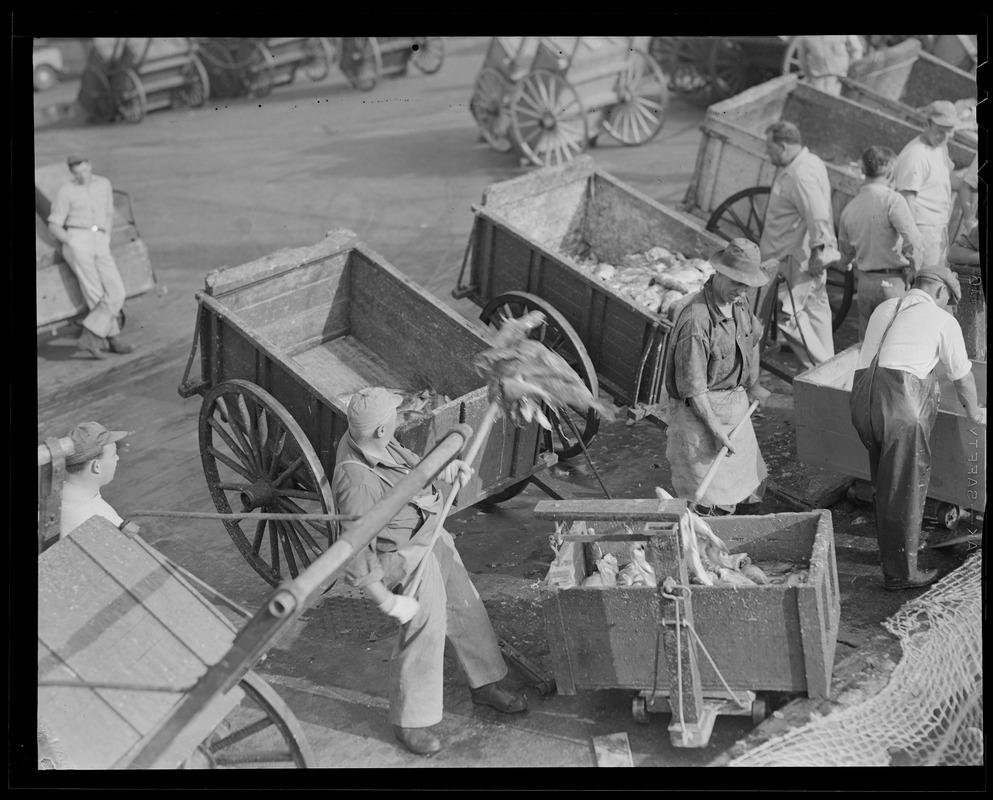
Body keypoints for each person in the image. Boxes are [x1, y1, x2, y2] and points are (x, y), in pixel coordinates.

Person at [331, 387, 526, 756]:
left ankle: (484, 683)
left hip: (430, 532)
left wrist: (444, 469)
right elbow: (354, 552)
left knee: (465, 606)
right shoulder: (355, 481)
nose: (401, 417)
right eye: (394, 417)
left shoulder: (374, 440)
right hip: (402, 555)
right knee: (424, 629)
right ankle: (410, 722)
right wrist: (387, 601)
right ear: (379, 431)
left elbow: (409, 466)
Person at [850, 266, 985, 591]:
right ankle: (901, 573)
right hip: (899, 409)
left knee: (885, 484)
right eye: (949, 301)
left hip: (862, 402)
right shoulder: (941, 320)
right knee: (904, 491)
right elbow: (963, 378)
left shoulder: (887, 307)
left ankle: (894, 551)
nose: (948, 307)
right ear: (939, 292)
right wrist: (974, 412)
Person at [662, 238, 773, 516]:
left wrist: (755, 385)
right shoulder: (696, 321)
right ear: (719, 272)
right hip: (700, 414)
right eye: (736, 282)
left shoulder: (740, 302)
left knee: (747, 489)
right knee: (706, 505)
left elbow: (754, 337)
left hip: (735, 404)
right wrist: (716, 431)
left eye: (746, 284)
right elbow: (693, 390)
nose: (741, 290)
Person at [759, 121, 841, 369]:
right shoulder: (809, 162)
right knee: (816, 311)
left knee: (788, 315)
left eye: (769, 148)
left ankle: (823, 369)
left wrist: (818, 253)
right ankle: (836, 375)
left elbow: (816, 214)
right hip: (804, 259)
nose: (767, 153)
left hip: (795, 260)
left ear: (783, 146)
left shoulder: (799, 174)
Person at [47, 155, 134, 360]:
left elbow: (109, 212)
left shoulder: (103, 184)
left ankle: (90, 334)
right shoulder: (66, 191)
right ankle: (112, 338)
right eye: (77, 173)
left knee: (117, 291)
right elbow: (54, 224)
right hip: (79, 240)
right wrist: (71, 241)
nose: (82, 176)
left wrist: (106, 234)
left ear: (90, 166)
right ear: (71, 173)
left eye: (84, 170)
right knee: (95, 294)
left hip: (101, 239)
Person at [838, 146, 923, 340]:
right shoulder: (892, 200)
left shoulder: (849, 209)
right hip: (892, 283)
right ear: (891, 173)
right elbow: (913, 240)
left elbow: (845, 256)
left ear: (862, 170)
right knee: (894, 343)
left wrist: (845, 263)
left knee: (867, 343)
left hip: (866, 284)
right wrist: (914, 270)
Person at [891, 101, 963, 270]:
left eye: (949, 131)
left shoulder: (940, 147)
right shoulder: (915, 155)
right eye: (940, 132)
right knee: (925, 282)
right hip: (922, 229)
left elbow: (949, 179)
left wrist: (973, 180)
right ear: (926, 124)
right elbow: (907, 201)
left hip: (938, 227)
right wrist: (915, 243)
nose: (945, 137)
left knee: (933, 279)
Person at [59, 421, 130, 539]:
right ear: (96, 466)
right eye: (113, 455)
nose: (117, 458)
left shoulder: (51, 499)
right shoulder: (98, 520)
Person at [795, 35, 861, 96]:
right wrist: (810, 75)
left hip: (840, 80)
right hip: (818, 80)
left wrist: (849, 70)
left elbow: (857, 50)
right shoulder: (805, 37)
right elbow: (802, 59)